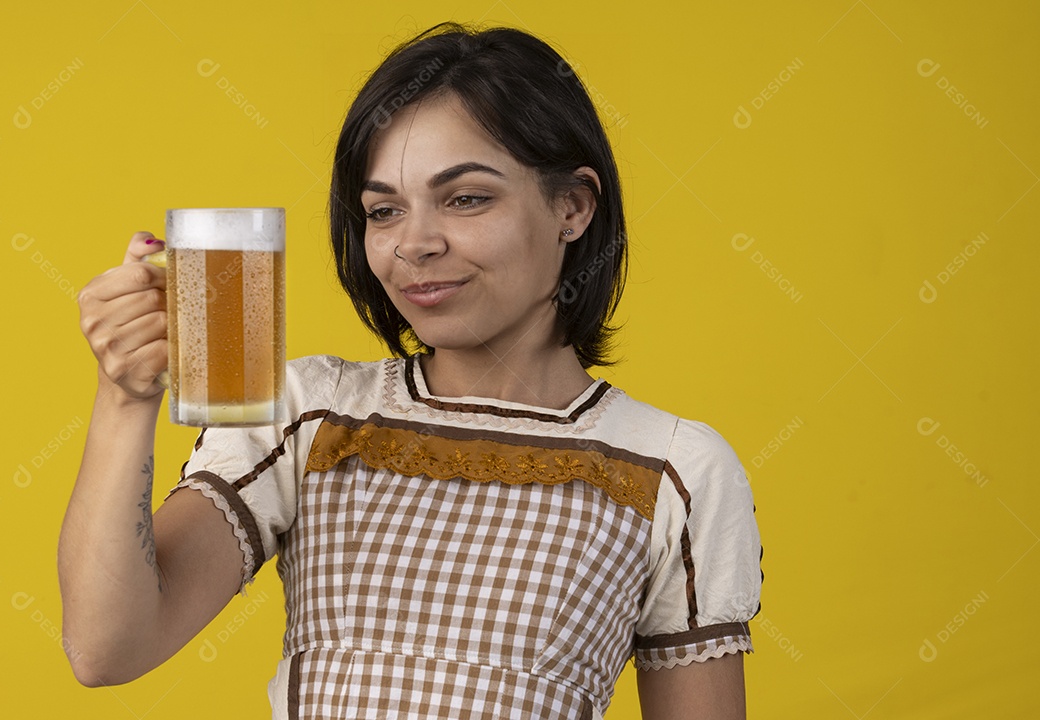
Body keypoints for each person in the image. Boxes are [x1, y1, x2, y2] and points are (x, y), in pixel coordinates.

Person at [60, 23, 762, 720]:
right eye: (383, 210)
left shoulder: (674, 470)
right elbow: (107, 648)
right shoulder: (310, 416)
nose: (414, 245)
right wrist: (126, 398)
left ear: (572, 208)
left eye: (465, 198)